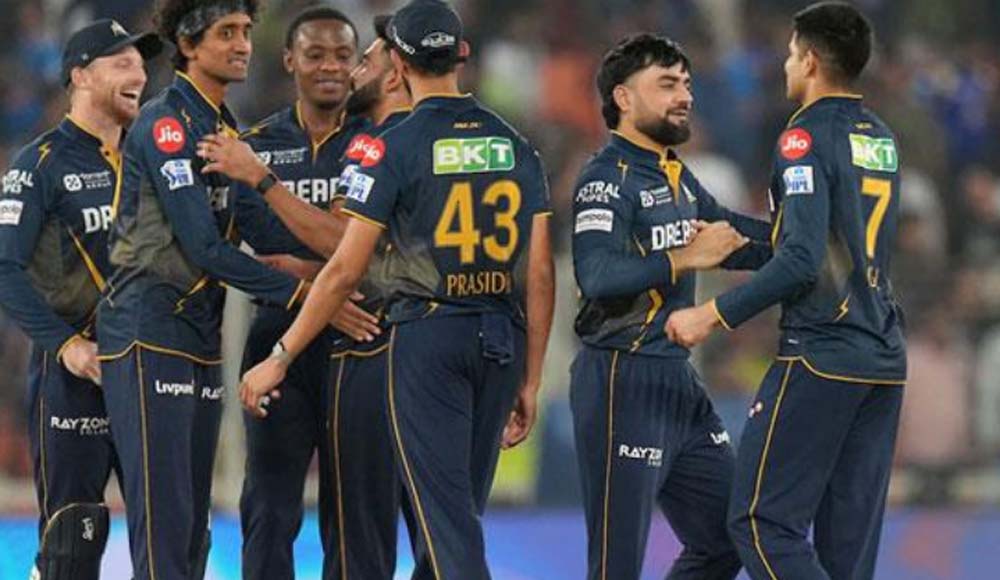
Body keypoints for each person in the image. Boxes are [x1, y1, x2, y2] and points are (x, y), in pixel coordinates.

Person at [239, 0, 555, 577]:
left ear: (401, 67)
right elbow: (538, 273)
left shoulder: (391, 145)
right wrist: (531, 378)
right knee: (455, 515)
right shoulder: (517, 144)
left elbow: (344, 266)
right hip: (501, 341)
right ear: (460, 55)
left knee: (443, 525)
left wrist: (281, 355)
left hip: (425, 340)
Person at [666, 3, 907, 578]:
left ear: (813, 61)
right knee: (846, 550)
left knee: (760, 521)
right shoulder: (880, 137)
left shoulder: (803, 136)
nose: (785, 64)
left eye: (792, 53)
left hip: (821, 354)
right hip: (882, 357)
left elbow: (801, 260)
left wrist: (711, 314)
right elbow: (819, 244)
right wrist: (729, 235)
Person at [96, 2, 311, 578]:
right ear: (189, 45)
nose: (243, 45)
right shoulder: (165, 124)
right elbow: (207, 249)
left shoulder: (224, 129)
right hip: (147, 333)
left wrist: (342, 261)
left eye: (246, 31)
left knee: (193, 527)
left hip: (198, 337)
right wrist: (306, 298)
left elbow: (265, 232)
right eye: (226, 33)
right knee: (166, 527)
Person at [570, 34, 772, 580]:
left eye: (685, 83)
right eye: (666, 84)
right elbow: (597, 276)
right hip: (622, 378)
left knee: (727, 539)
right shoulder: (604, 179)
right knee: (616, 564)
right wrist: (685, 258)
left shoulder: (676, 175)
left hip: (678, 382)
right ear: (623, 98)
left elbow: (733, 238)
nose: (685, 96)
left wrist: (805, 236)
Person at [0, 19, 160, 580]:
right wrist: (66, 345)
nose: (139, 74)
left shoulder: (155, 161)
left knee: (173, 537)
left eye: (140, 64)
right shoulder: (39, 164)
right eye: (122, 63)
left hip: (151, 369)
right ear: (81, 76)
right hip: (75, 377)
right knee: (72, 540)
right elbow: (5, 268)